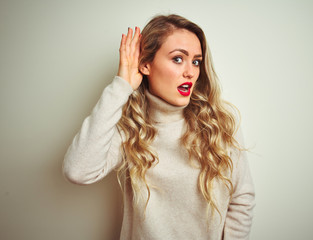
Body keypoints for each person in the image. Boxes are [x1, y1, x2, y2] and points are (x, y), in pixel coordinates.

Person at [63, 14, 255, 240]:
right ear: (145, 65)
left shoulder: (220, 122)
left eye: (196, 61)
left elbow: (242, 198)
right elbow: (78, 171)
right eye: (177, 59)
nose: (190, 72)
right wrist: (122, 85)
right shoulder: (131, 128)